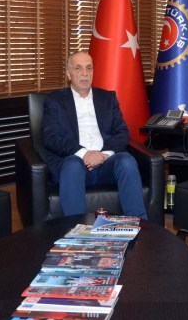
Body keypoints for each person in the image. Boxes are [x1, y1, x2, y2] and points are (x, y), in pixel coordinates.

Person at [41, 50, 147, 219]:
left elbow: (122, 132)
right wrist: (85, 153)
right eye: (78, 68)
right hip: (74, 164)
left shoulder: (107, 98)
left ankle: (139, 224)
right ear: (68, 74)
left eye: (89, 68)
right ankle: (77, 228)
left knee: (126, 161)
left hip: (106, 164)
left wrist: (104, 155)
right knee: (73, 165)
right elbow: (51, 137)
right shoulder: (55, 101)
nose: (84, 73)